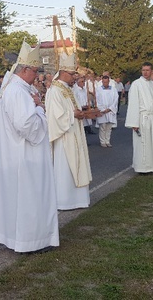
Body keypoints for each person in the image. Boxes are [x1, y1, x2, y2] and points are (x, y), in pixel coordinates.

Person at [0, 43, 59, 253]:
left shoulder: (15, 87)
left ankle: (21, 239)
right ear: (24, 69)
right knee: (29, 197)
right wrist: (40, 108)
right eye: (35, 71)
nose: (37, 76)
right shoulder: (17, 91)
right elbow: (27, 126)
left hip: (19, 153)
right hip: (26, 154)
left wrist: (36, 106)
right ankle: (30, 241)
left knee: (19, 198)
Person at [45, 53, 92, 210]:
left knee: (77, 165)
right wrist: (74, 114)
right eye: (72, 74)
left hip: (74, 132)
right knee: (65, 169)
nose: (74, 78)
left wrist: (80, 113)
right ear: (64, 73)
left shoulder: (66, 89)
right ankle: (64, 201)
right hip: (64, 137)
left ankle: (78, 199)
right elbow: (55, 116)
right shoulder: (54, 91)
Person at [125, 62, 153, 174]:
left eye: (147, 70)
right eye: (143, 70)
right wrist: (134, 123)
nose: (145, 72)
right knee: (143, 144)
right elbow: (133, 104)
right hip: (142, 118)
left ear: (152, 71)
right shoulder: (136, 84)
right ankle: (142, 168)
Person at [95, 75, 119, 148]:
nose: (105, 83)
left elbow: (116, 99)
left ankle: (107, 141)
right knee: (103, 127)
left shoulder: (113, 89)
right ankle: (102, 141)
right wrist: (103, 109)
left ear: (109, 82)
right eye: (104, 82)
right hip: (103, 111)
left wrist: (110, 108)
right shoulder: (99, 89)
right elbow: (97, 100)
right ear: (102, 82)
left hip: (110, 111)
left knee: (109, 127)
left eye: (106, 82)